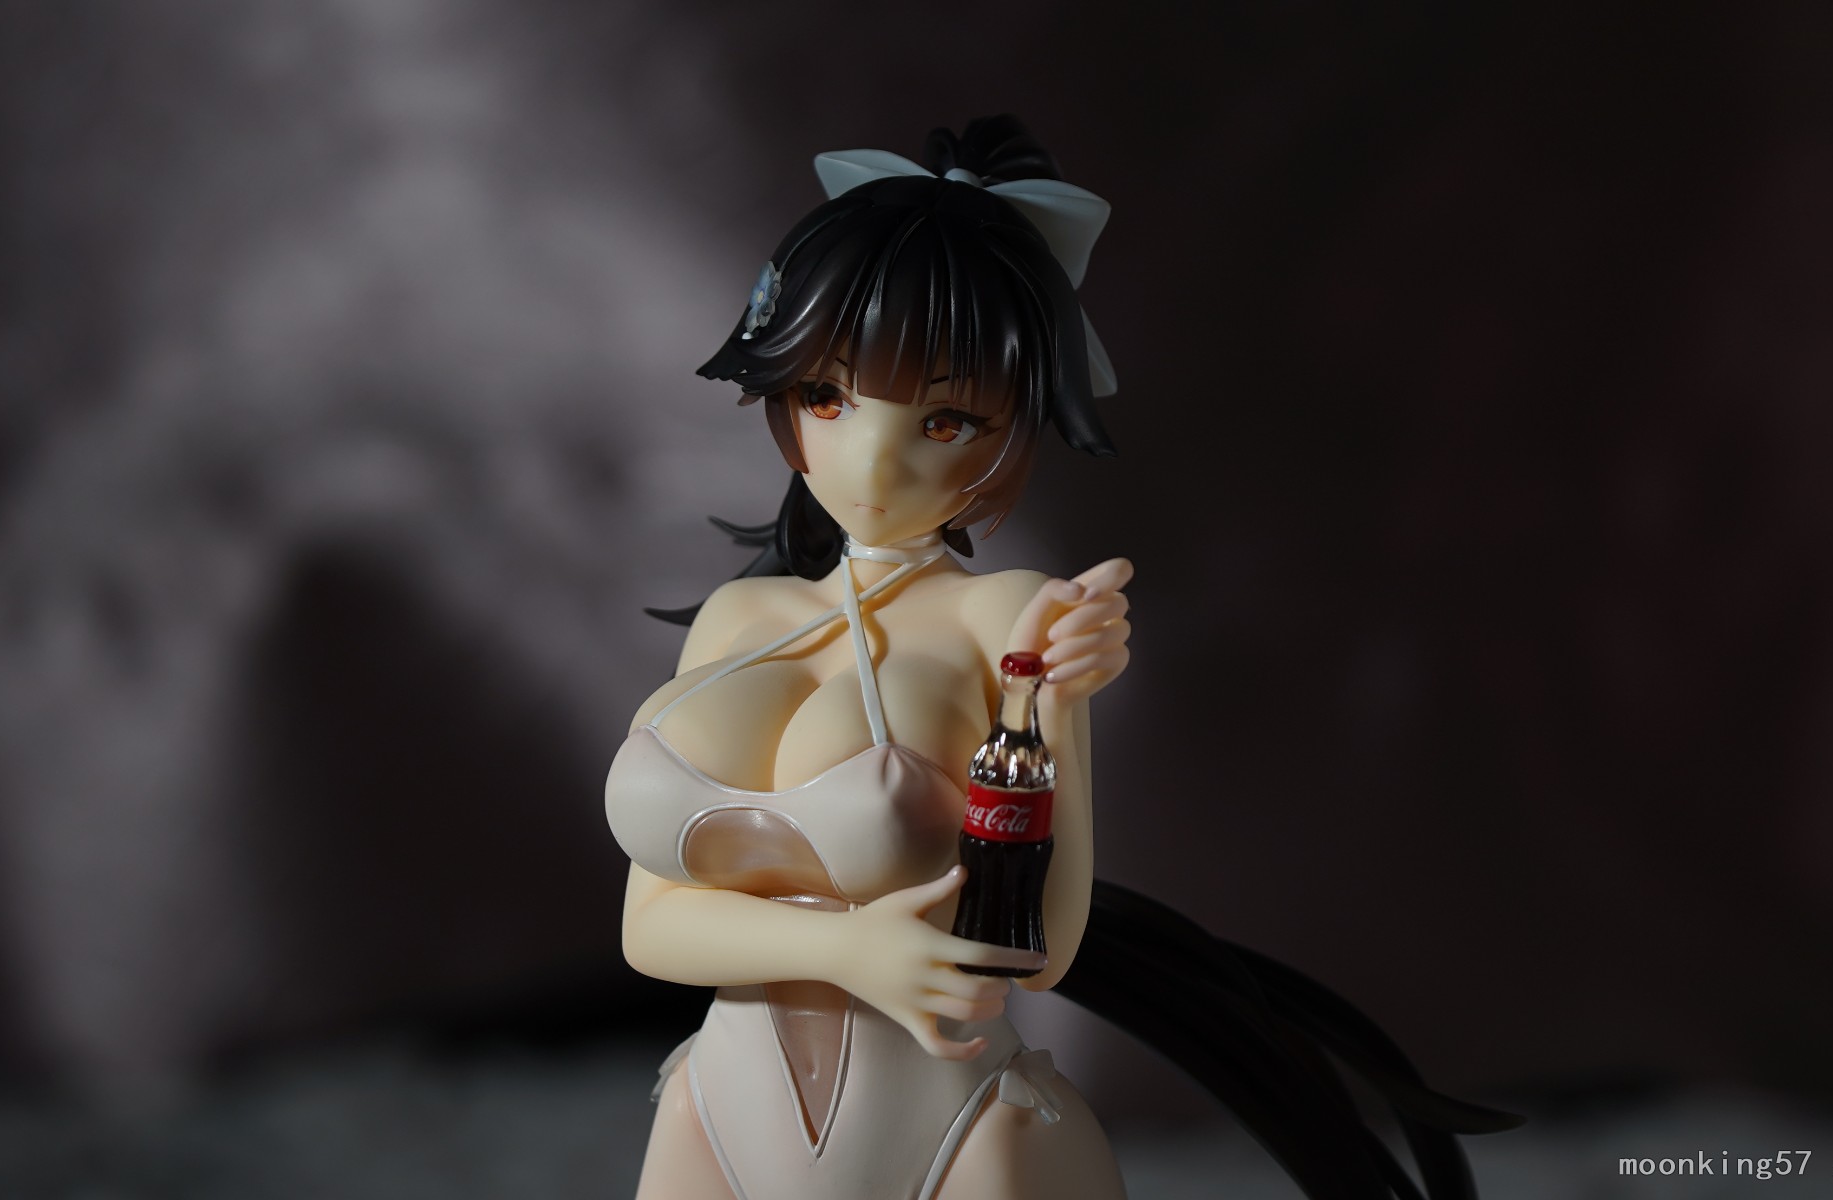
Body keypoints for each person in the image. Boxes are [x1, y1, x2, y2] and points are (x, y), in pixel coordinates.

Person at [606, 116, 1517, 1200]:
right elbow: (648, 929)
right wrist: (849, 952)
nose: (872, 458)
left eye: (944, 419)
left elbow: (1040, 947)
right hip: (715, 1114)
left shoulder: (1006, 617)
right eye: (828, 397)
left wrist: (1050, 703)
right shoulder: (737, 619)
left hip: (953, 1134)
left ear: (1016, 426)